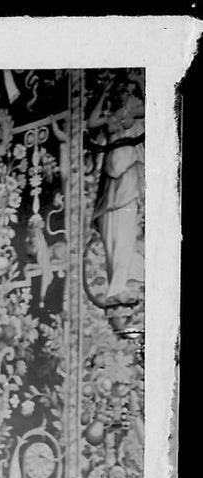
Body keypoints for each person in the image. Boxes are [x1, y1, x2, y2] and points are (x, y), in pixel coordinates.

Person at [87, 74, 145, 305]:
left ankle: (120, 285)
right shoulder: (111, 118)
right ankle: (116, 284)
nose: (125, 96)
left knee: (125, 231)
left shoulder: (135, 113)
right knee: (111, 231)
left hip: (128, 172)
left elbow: (155, 103)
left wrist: (140, 81)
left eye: (129, 92)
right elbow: (92, 123)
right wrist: (103, 93)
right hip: (112, 176)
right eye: (122, 92)